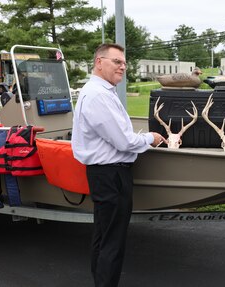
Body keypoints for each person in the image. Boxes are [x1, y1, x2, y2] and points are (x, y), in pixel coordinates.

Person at [71, 43, 166, 287]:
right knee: (112, 241)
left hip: (105, 174)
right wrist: (150, 138)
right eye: (117, 62)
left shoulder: (97, 91)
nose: (123, 67)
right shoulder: (99, 95)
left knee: (103, 236)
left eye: (124, 63)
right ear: (99, 62)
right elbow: (124, 141)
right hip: (111, 175)